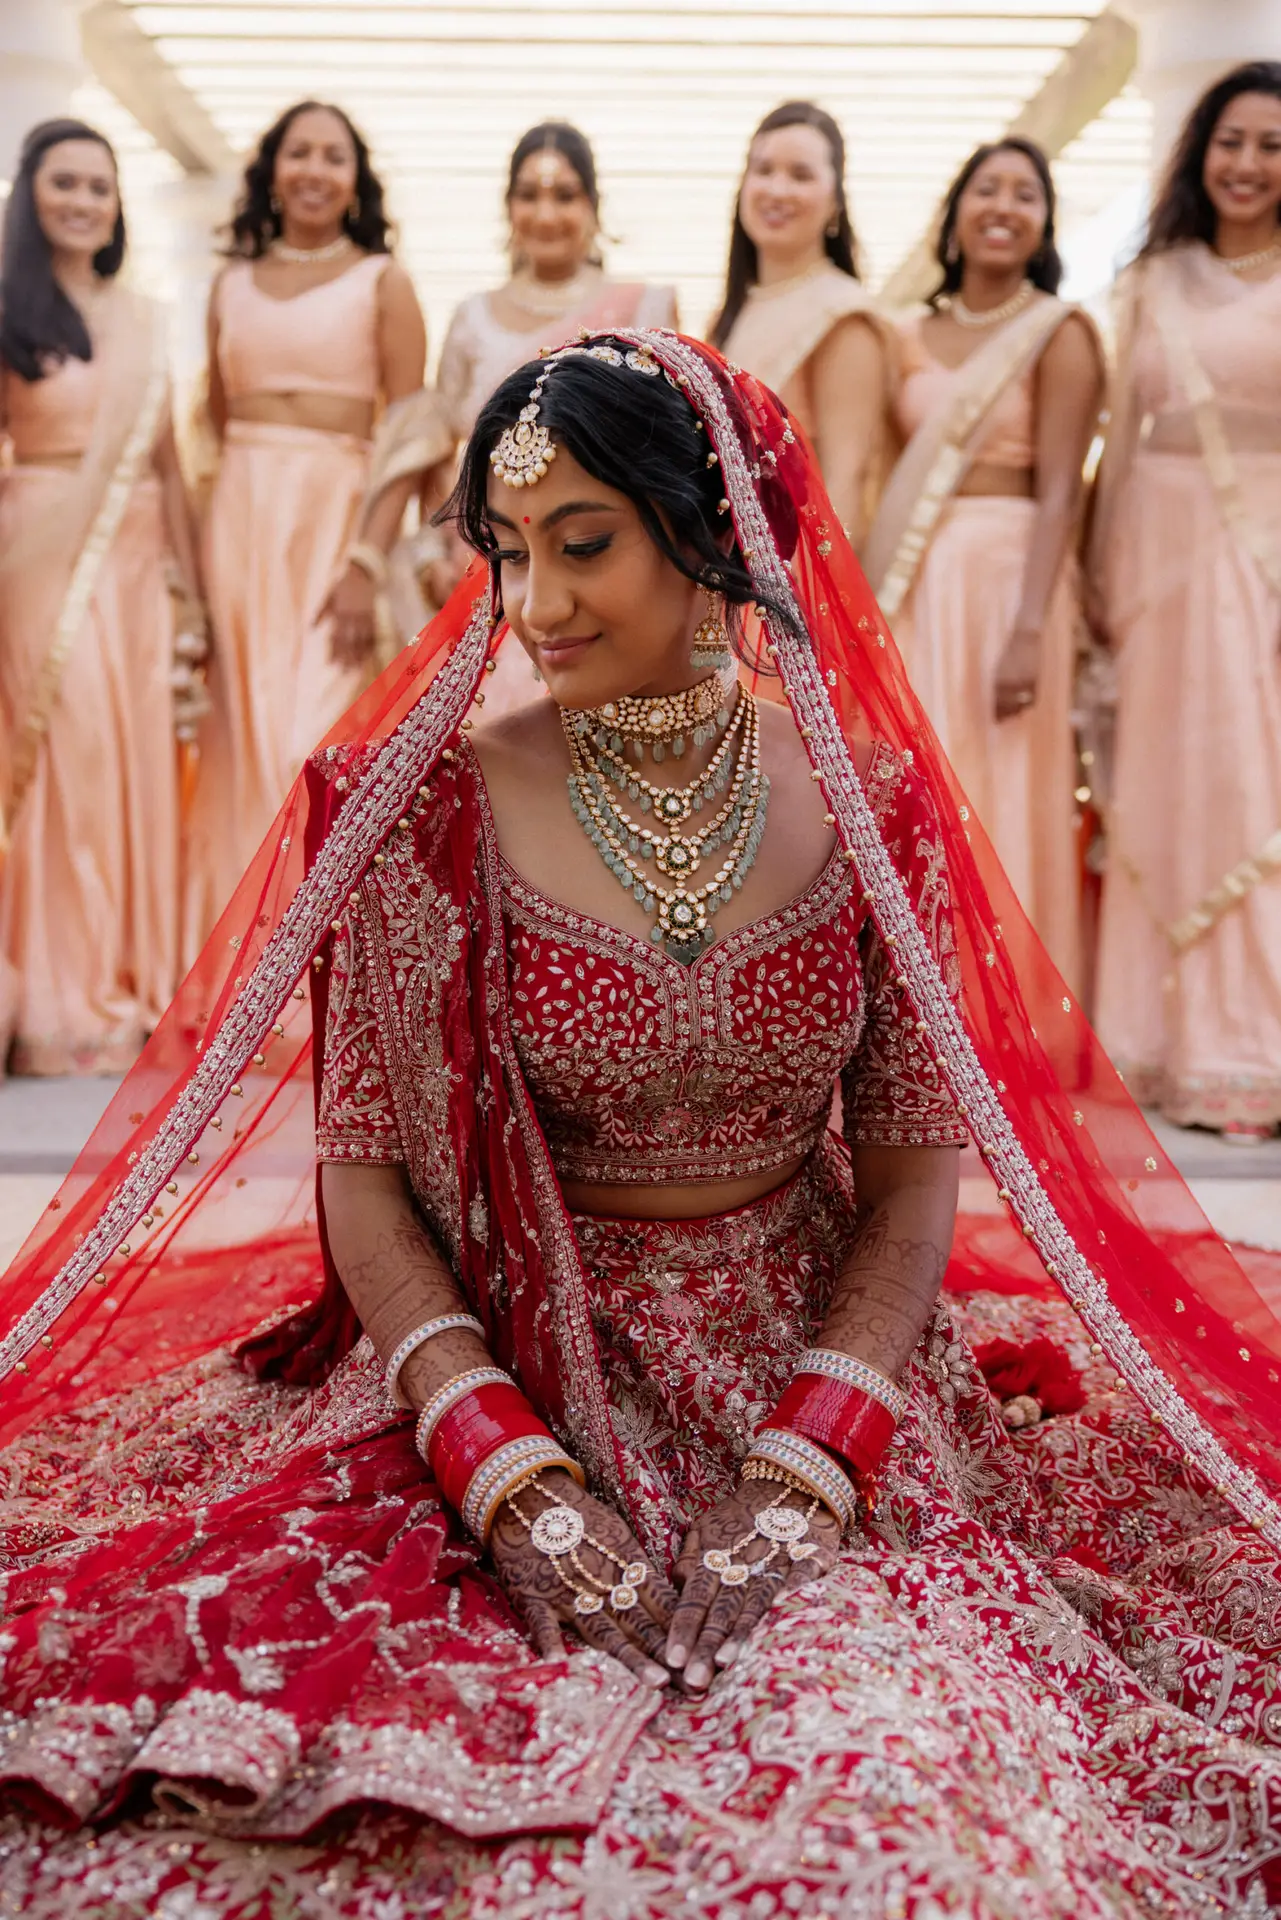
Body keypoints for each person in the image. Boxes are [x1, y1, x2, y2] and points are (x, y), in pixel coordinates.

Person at [0, 332, 1279, 1914]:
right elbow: (374, 1188)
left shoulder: (873, 813)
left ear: (709, 535)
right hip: (507, 1351)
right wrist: (504, 1471)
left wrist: (815, 1458)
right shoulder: (419, 809)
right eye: (506, 552)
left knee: (916, 1795)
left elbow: (905, 1187)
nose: (532, 609)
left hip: (817, 1347)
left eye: (584, 545)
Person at [183, 99, 438, 949]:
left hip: (337, 516)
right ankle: (230, 972)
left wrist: (367, 557)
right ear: (272, 169)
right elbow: (211, 429)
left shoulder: (384, 280)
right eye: (300, 153)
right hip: (243, 520)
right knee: (240, 738)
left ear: (355, 178)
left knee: (311, 736)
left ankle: (313, 968)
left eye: (334, 156)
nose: (315, 171)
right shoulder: (227, 284)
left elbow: (411, 434)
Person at [1090, 61, 1281, 1139]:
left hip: (1261, 569)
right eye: (1232, 140)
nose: (1248, 164)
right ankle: (1151, 1050)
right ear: (1200, 150)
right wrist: (1103, 582)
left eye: (1272, 145)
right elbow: (1118, 444)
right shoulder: (1147, 282)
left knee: (1249, 789)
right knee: (1156, 792)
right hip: (1156, 562)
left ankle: (1248, 1054)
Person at [864, 139, 1103, 997]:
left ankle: (1008, 1014)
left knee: (1002, 789)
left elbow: (1061, 496)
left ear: (1042, 225)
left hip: (1009, 579)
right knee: (922, 781)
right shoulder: (898, 337)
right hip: (915, 584)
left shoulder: (1058, 330)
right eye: (986, 189)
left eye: (1026, 195)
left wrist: (1032, 628)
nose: (1003, 206)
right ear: (954, 213)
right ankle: (915, 1018)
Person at [0, 118, 201, 1075]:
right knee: (71, 759)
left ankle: (131, 986)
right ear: (29, 193)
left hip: (138, 560)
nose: (81, 200)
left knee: (135, 761)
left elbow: (171, 463)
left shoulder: (146, 316)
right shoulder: (8, 308)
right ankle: (64, 999)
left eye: (98, 186)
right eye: (63, 182)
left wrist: (194, 593)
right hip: (41, 547)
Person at [430, 122, 678, 716]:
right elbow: (441, 450)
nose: (546, 213)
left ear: (593, 208)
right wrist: (430, 559)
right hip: (489, 567)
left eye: (565, 195)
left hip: (596, 569)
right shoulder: (471, 318)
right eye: (529, 195)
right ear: (507, 207)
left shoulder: (645, 306)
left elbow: (668, 448)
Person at [710, 100, 892, 550]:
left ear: (835, 202)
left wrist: (807, 610)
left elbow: (849, 485)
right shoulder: (729, 315)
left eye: (801, 175)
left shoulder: (844, 318)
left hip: (788, 582)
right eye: (764, 170)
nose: (778, 189)